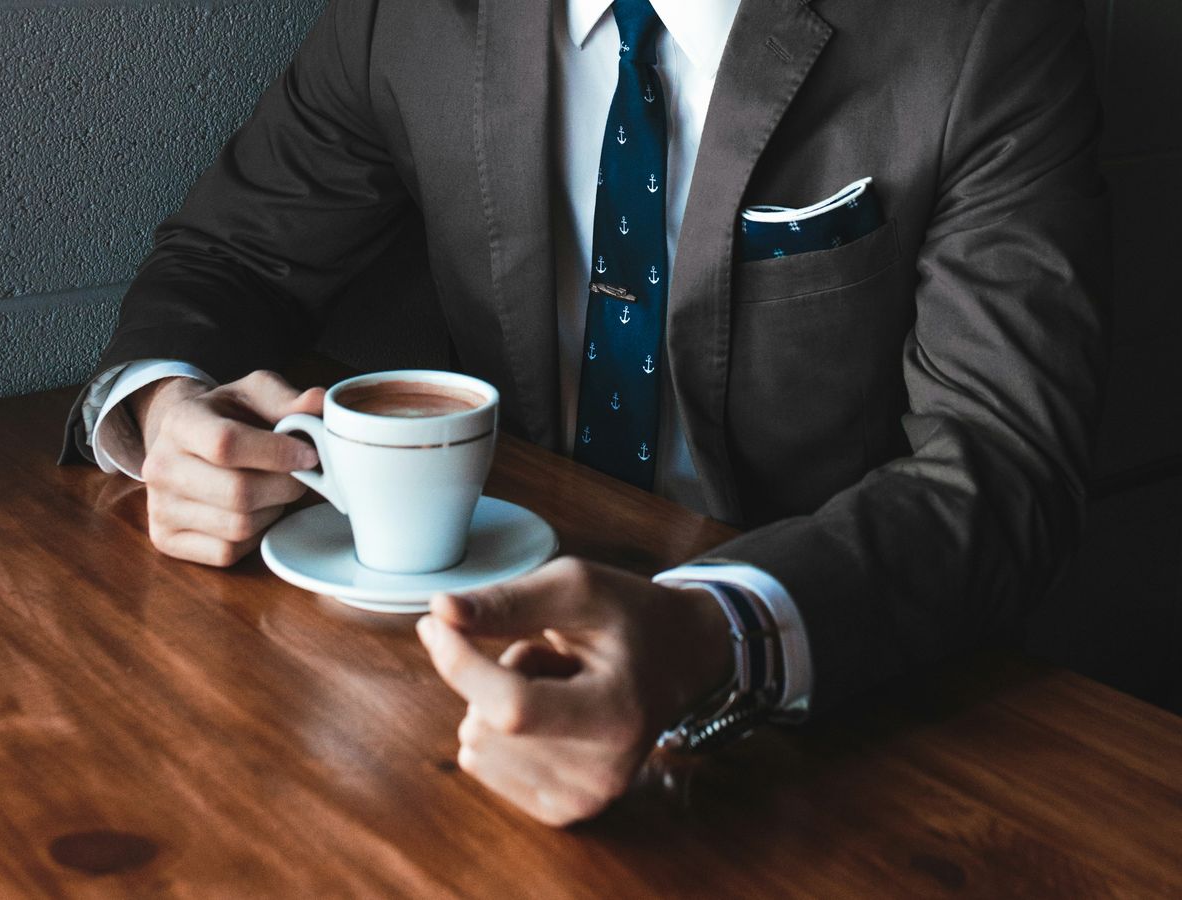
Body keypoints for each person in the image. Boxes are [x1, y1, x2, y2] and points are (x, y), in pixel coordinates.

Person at [62, 0, 1109, 826]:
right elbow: (231, 254)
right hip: (446, 677)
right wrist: (161, 407)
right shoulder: (407, 15)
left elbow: (1002, 463)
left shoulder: (984, 29)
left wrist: (717, 632)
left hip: (838, 723)